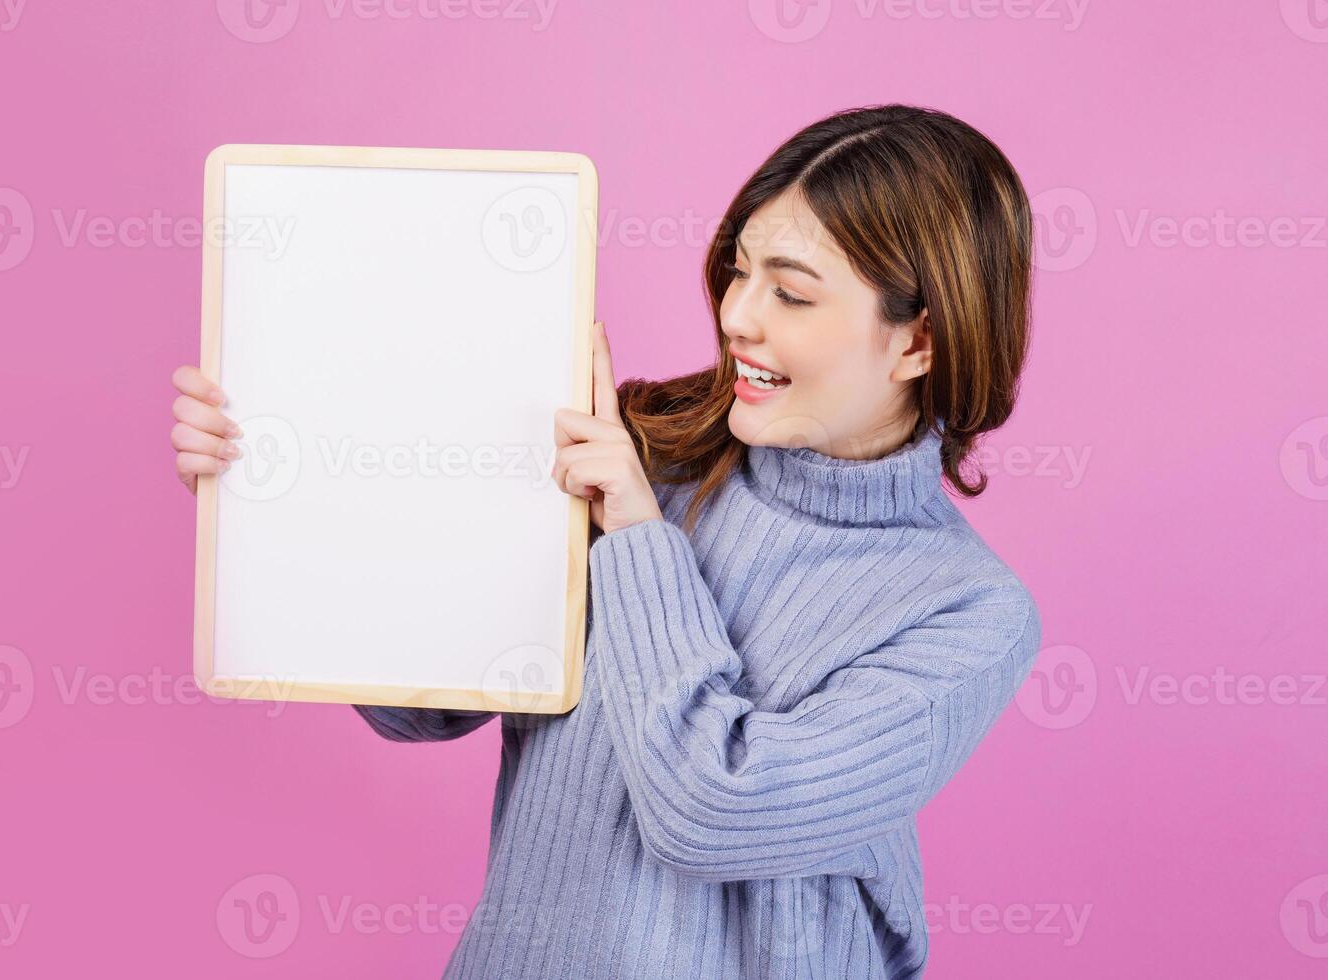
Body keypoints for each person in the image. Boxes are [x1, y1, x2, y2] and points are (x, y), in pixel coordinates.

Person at [168, 103, 1042, 979]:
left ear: (920, 340)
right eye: (737, 273)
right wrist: (275, 495)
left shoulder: (967, 611)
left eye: (791, 291)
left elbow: (712, 808)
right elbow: (422, 701)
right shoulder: (641, 449)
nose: (738, 315)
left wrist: (632, 533)